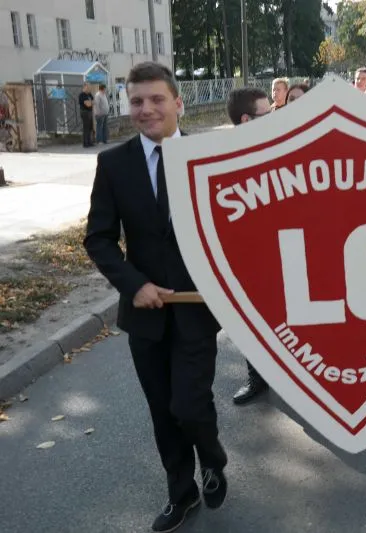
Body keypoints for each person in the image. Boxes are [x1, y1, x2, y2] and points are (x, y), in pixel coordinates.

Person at [84, 62, 228, 533]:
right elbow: (99, 238)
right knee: (163, 412)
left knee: (190, 405)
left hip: (197, 310)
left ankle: (212, 460)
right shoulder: (113, 164)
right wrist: (134, 284)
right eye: (136, 101)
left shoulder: (211, 158)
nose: (145, 109)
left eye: (156, 99)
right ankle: (180, 494)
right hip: (145, 315)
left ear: (178, 103)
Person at [226, 87, 271, 405]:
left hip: (284, 250)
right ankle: (257, 378)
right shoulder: (222, 158)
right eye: (266, 114)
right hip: (246, 256)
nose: (272, 118)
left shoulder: (279, 146)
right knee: (250, 321)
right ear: (246, 120)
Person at [79, 83, 94, 147]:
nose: (89, 89)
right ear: (84, 87)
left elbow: (93, 102)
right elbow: (87, 104)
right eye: (88, 87)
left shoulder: (89, 94)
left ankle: (90, 142)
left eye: (89, 87)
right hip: (84, 112)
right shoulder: (82, 95)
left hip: (90, 112)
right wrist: (90, 103)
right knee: (86, 128)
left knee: (90, 127)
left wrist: (90, 103)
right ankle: (85, 143)